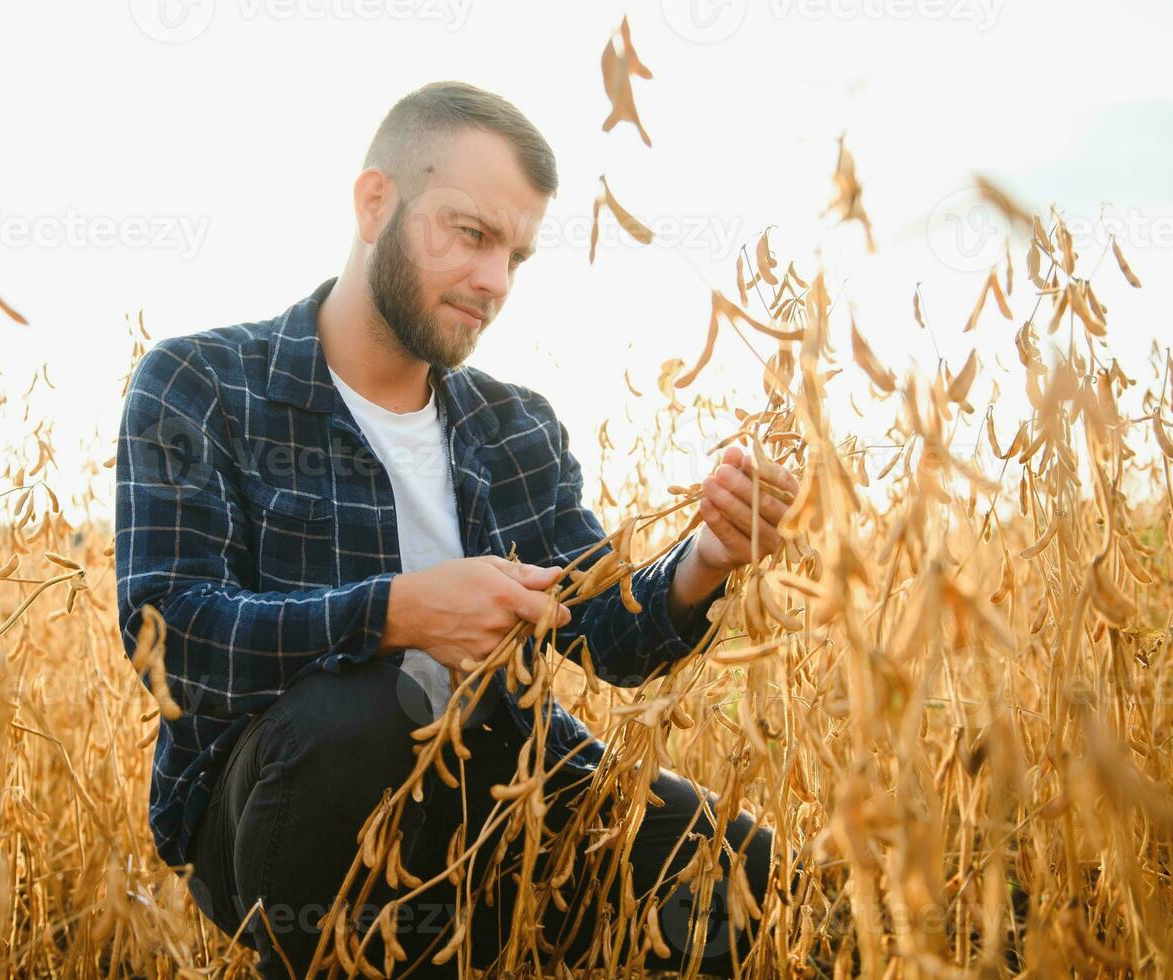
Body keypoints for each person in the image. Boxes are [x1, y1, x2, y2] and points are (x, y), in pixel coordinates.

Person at [115, 80, 801, 978]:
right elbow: (171, 638)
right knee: (358, 714)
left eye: (515, 255)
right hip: (279, 804)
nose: (494, 283)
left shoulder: (514, 426)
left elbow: (606, 628)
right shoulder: (202, 383)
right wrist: (395, 614)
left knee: (739, 874)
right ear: (375, 203)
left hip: (505, 790)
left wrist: (708, 555)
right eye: (471, 235)